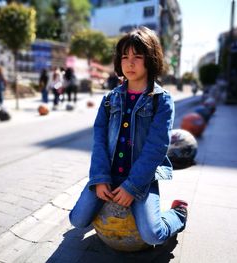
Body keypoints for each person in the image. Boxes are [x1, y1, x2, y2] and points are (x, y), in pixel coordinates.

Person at [69, 27, 188, 246]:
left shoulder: (161, 101)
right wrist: (100, 178)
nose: (130, 63)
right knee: (76, 220)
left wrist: (132, 187)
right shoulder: (109, 99)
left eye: (137, 57)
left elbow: (156, 148)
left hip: (141, 179)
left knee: (154, 235)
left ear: (150, 59)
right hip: (109, 174)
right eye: (125, 57)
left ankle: (179, 213)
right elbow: (99, 141)